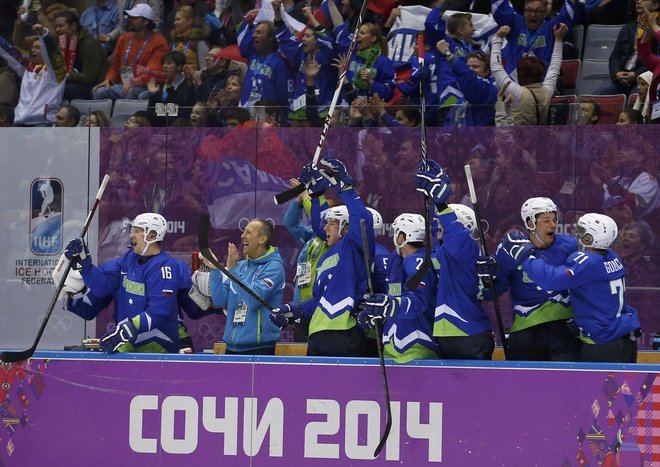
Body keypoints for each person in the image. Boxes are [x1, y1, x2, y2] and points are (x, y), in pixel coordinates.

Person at [503, 213, 641, 363]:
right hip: (626, 338)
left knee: (595, 387)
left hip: (603, 342)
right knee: (625, 387)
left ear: (589, 239)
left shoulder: (587, 261)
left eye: (581, 231)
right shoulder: (612, 256)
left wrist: (525, 256)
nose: (576, 235)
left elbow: (551, 280)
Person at [270, 157, 373, 357]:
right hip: (317, 335)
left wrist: (345, 187)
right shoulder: (326, 256)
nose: (323, 228)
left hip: (345, 334)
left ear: (345, 227)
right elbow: (319, 300)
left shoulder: (353, 246)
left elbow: (362, 219)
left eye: (331, 223)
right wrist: (294, 308)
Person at [63, 213, 184, 353]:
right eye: (132, 230)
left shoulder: (165, 267)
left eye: (138, 231)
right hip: (130, 348)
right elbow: (104, 287)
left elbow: (158, 312)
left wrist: (125, 330)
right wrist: (84, 264)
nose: (132, 235)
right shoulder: (129, 258)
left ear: (152, 236)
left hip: (159, 352)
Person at [414, 165, 496, 359]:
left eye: (441, 221)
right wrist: (438, 187)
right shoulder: (442, 252)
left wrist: (442, 205)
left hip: (469, 333)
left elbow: (455, 233)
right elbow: (439, 236)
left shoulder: (467, 247)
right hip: (446, 334)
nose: (437, 224)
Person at [485, 197, 581, 361]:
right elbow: (493, 291)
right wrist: (487, 277)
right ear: (530, 223)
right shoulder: (510, 249)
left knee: (564, 383)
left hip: (563, 329)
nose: (552, 225)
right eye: (546, 221)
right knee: (523, 384)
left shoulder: (570, 245)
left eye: (554, 219)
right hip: (526, 332)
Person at [359, 213, 439, 363]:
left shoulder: (419, 262)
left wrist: (389, 305)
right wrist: (375, 312)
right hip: (393, 346)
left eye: (395, 233)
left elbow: (417, 301)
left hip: (417, 344)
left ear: (402, 237)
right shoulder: (396, 261)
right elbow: (392, 299)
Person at [204, 218, 285, 355]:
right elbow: (219, 301)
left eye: (248, 232)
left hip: (258, 350)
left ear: (262, 239)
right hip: (231, 348)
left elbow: (254, 301)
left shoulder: (274, 267)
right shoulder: (240, 266)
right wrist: (215, 270)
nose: (242, 236)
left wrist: (233, 271)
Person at [491, 23, 566, 126]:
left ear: (518, 74)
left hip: (517, 140)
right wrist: (558, 40)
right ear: (540, 73)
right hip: (538, 140)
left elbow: (496, 67)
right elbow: (554, 67)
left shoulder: (517, 92)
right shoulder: (547, 92)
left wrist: (497, 38)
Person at [92, 4, 168, 101]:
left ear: (145, 21)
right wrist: (108, 80)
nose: (130, 20)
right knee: (100, 92)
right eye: (130, 17)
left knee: (133, 92)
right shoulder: (124, 38)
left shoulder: (159, 41)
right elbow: (115, 66)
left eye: (134, 18)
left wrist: (134, 82)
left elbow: (152, 71)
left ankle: (133, 116)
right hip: (123, 84)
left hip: (144, 85)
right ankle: (99, 116)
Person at [0, 24, 66, 126]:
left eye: (38, 47)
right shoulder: (28, 69)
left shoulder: (56, 72)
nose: (32, 50)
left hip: (43, 122)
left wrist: (44, 35)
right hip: (20, 121)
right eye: (32, 47)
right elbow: (9, 51)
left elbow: (53, 54)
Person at [491, 0, 577, 77]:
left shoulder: (552, 28)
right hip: (512, 83)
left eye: (538, 11)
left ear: (544, 13)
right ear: (524, 11)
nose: (533, 15)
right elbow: (499, 7)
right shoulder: (514, 22)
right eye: (529, 10)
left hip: (541, 83)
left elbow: (569, 14)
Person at [237, 11, 292, 109]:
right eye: (254, 32)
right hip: (245, 111)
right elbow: (239, 23)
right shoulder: (252, 55)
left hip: (265, 116)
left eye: (259, 33)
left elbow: (283, 95)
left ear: (270, 38)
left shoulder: (280, 63)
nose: (254, 36)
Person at [53, 10, 109, 100]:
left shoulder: (89, 44)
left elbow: (89, 77)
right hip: (71, 80)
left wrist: (68, 75)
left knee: (67, 89)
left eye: (61, 26)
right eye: (56, 26)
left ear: (74, 26)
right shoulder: (60, 41)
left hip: (93, 85)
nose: (57, 30)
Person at [146, 50, 197, 126]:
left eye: (169, 63)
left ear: (179, 67)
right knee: (141, 115)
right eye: (164, 63)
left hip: (178, 125)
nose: (164, 66)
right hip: (160, 123)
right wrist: (153, 95)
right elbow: (150, 110)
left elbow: (183, 111)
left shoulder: (187, 85)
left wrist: (160, 109)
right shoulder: (161, 85)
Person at [169, 5, 209, 72]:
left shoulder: (199, 42)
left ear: (189, 21)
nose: (175, 22)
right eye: (175, 20)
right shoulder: (173, 42)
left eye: (178, 19)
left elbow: (204, 69)